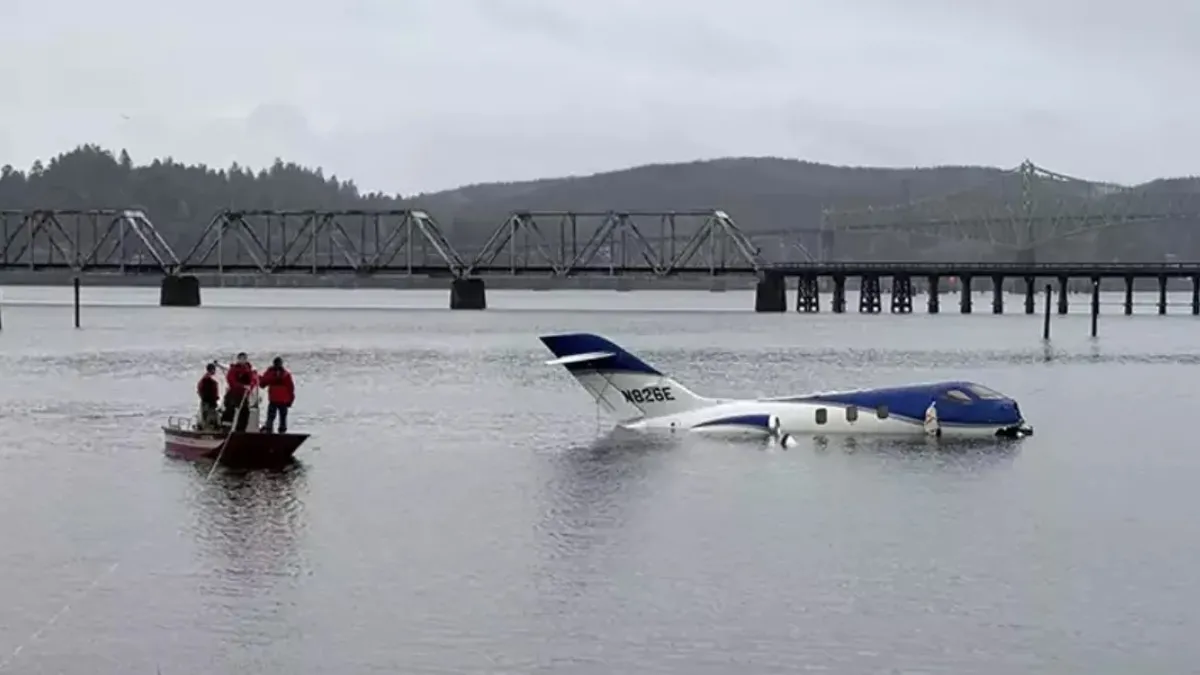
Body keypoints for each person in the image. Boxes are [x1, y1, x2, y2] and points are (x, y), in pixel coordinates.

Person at [258, 356, 295, 433]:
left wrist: (259, 378)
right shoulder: (286, 374)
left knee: (272, 416)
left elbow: (262, 383)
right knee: (281, 417)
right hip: (281, 399)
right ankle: (280, 430)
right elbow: (290, 389)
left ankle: (270, 429)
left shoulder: (271, 373)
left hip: (275, 399)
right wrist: (291, 400)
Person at [196, 362, 221, 430]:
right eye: (214, 369)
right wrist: (213, 399)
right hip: (208, 401)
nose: (214, 371)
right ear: (212, 370)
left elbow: (200, 390)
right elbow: (207, 392)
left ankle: (208, 427)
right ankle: (207, 428)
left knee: (208, 415)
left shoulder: (205, 379)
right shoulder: (207, 380)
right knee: (208, 416)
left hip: (207, 401)